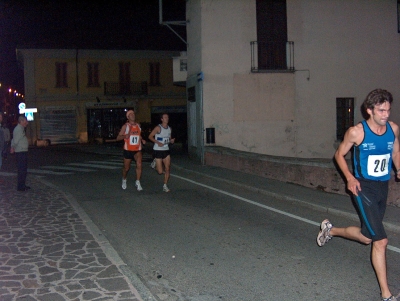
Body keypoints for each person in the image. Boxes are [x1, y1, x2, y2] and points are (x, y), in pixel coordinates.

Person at [317, 89, 400, 301]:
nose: (386, 115)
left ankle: (331, 230)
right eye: (381, 111)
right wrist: (350, 178)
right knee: (380, 241)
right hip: (363, 188)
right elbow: (339, 154)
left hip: (382, 187)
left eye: (388, 110)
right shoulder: (357, 132)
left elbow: (395, 151)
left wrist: (398, 168)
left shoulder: (393, 129)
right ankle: (387, 295)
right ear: (369, 110)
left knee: (366, 237)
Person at [117, 110, 146, 191]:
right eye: (130, 114)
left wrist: (142, 140)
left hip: (137, 149)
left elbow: (138, 136)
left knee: (139, 164)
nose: (133, 115)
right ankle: (124, 179)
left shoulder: (138, 125)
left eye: (133, 113)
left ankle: (138, 181)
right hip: (128, 150)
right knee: (126, 168)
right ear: (128, 117)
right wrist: (125, 136)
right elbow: (118, 138)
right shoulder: (125, 126)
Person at [148, 113, 175, 192]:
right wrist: (157, 142)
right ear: (162, 119)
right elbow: (150, 136)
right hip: (158, 150)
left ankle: (165, 185)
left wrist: (171, 141)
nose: (167, 118)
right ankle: (155, 162)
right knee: (160, 172)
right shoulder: (158, 128)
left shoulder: (169, 128)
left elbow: (169, 139)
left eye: (168, 117)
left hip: (166, 150)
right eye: (165, 117)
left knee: (167, 168)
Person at [10, 115, 30, 191]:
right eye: (25, 121)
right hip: (21, 152)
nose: (27, 123)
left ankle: (22, 185)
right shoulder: (18, 129)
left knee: (23, 169)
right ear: (21, 121)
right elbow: (15, 140)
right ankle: (21, 186)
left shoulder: (20, 129)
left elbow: (14, 139)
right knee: (22, 169)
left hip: (22, 151)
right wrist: (13, 148)